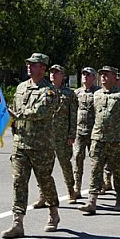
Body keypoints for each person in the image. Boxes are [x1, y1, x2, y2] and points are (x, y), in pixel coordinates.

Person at [2, 53, 59, 238]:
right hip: (20, 144)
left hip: (41, 146)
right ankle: (17, 223)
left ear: (43, 68)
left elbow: (42, 111)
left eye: (34, 64)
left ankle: (53, 212)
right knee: (18, 182)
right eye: (28, 64)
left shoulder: (49, 91)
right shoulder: (21, 87)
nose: (29, 66)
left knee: (45, 181)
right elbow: (14, 110)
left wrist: (18, 115)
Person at [79, 65, 120, 214]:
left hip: (116, 140)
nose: (103, 77)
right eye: (102, 74)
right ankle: (92, 201)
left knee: (118, 170)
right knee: (95, 169)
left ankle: (119, 198)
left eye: (106, 74)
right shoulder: (96, 94)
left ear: (114, 77)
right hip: (98, 138)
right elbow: (91, 116)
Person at [33, 64, 76, 207]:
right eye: (51, 72)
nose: (53, 74)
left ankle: (71, 190)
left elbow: (73, 115)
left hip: (62, 136)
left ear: (63, 76)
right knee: (44, 167)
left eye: (56, 72)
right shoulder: (44, 90)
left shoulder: (69, 94)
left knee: (65, 164)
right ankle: (43, 195)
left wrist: (71, 134)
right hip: (46, 136)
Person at [71, 67, 99, 201]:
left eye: (88, 75)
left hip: (94, 132)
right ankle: (77, 188)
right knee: (77, 158)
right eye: (83, 75)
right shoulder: (76, 93)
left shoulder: (98, 93)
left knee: (96, 160)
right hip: (79, 131)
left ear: (93, 77)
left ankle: (98, 185)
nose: (85, 77)